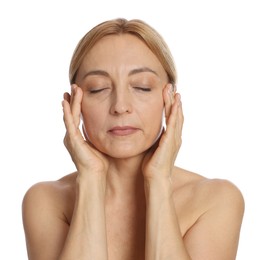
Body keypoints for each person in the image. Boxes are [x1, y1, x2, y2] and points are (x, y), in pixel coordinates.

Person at [22, 18, 244, 260]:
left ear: (169, 99)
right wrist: (91, 178)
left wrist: (159, 180)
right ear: (74, 104)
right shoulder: (45, 202)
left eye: (142, 86)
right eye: (98, 88)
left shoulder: (215, 200)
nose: (120, 106)